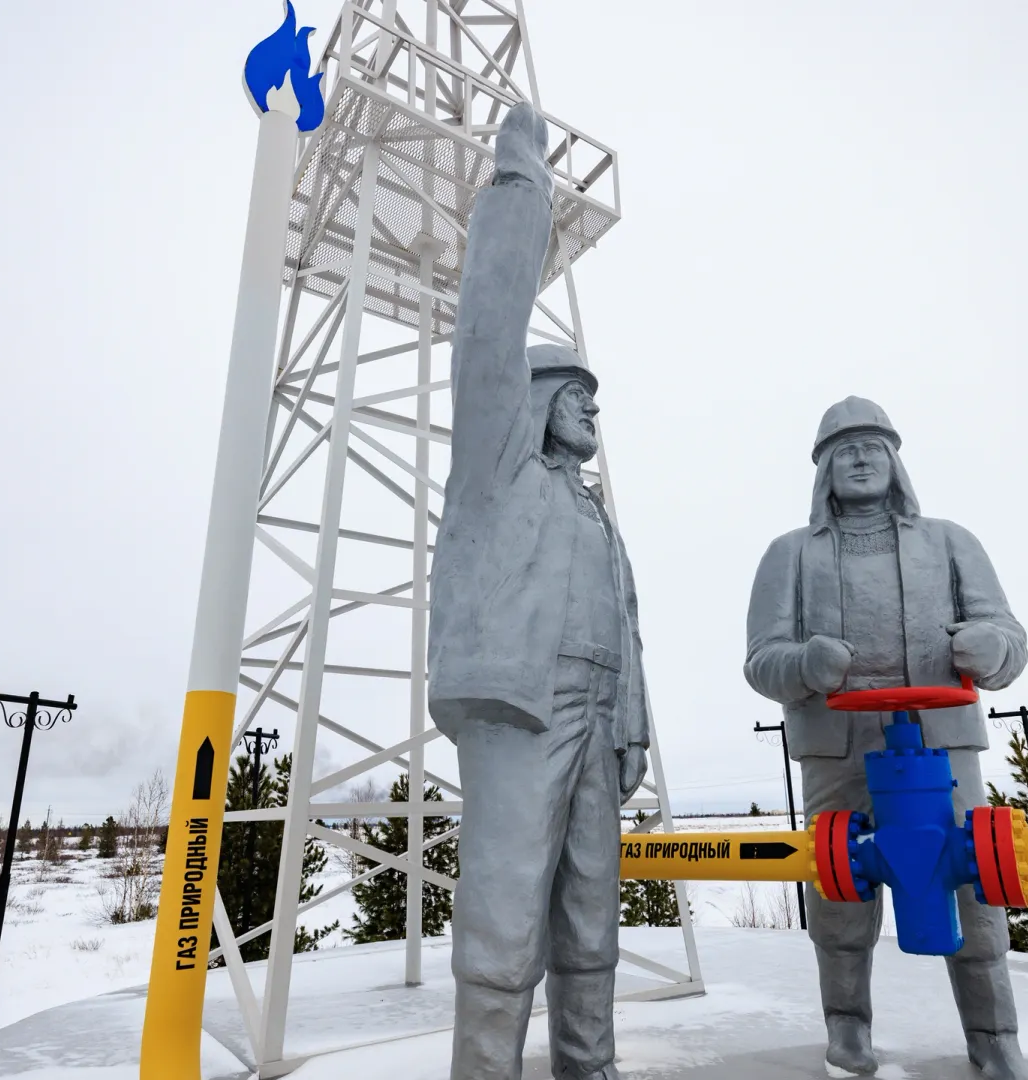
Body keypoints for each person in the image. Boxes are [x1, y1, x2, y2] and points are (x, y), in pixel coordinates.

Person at [429, 102, 649, 1080]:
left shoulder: (595, 513)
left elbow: (628, 630)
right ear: (535, 404)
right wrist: (523, 189)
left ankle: (586, 1067)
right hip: (523, 704)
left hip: (596, 716)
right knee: (507, 914)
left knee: (590, 911)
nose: (592, 408)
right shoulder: (499, 465)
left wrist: (630, 722)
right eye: (578, 394)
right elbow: (490, 321)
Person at [743, 396, 1028, 1079]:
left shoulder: (951, 542)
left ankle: (994, 1036)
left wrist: (989, 648)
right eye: (844, 449)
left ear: (897, 460)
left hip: (941, 747)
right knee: (839, 890)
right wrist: (805, 664)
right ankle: (847, 1031)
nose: (861, 457)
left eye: (874, 444)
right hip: (838, 747)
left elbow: (1012, 643)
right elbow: (762, 661)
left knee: (974, 884)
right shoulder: (787, 555)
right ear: (823, 471)